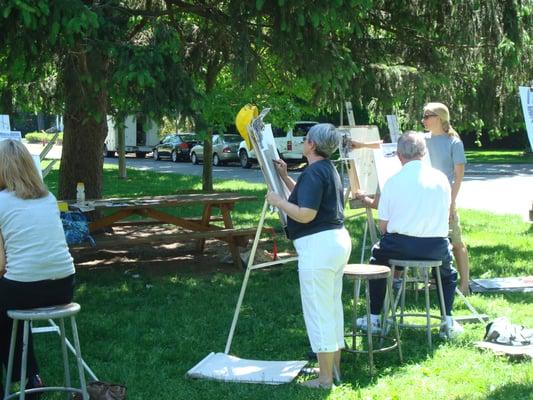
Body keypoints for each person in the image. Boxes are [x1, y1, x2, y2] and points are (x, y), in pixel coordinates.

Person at [266, 123, 351, 389]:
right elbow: (305, 199)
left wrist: (277, 201)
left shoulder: (315, 172)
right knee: (332, 308)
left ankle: (325, 379)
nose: (303, 142)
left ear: (312, 145)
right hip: (334, 243)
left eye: (305, 139)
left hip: (319, 247)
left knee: (319, 311)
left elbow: (306, 213)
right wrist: (284, 177)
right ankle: (332, 368)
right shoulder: (325, 169)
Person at [356, 131, 463, 338]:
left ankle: (375, 316)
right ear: (424, 153)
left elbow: (384, 227)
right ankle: (447, 320)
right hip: (435, 247)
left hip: (400, 245)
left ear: (398, 155)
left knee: (376, 262)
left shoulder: (393, 181)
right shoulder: (441, 179)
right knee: (447, 272)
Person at [0, 139, 76, 399]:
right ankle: (30, 377)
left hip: (24, 290)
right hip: (64, 286)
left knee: (9, 304)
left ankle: (19, 378)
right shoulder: (48, 197)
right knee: (11, 310)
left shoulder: (0, 201)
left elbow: (0, 265)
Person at [422, 102, 471, 295]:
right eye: (423, 116)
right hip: (426, 199)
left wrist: (451, 204)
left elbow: (458, 177)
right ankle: (434, 281)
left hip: (446, 200)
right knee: (431, 240)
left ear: (440, 118)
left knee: (456, 242)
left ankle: (465, 284)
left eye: (427, 116)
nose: (423, 120)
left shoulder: (454, 142)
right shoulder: (422, 140)